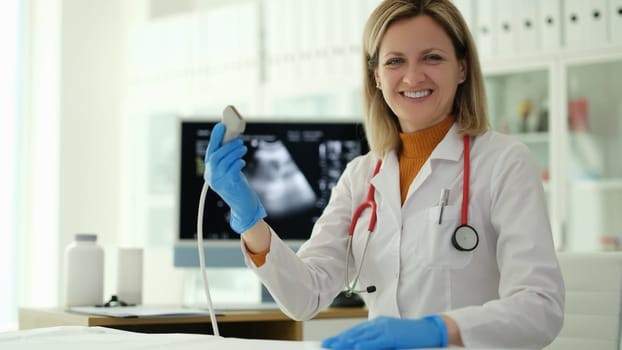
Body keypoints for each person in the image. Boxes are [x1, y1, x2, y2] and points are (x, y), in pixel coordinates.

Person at [203, 0, 564, 348]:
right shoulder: (360, 176)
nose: (412, 76)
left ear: (462, 68)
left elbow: (540, 308)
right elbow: (305, 296)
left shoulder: (503, 162)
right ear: (376, 76)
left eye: (432, 57)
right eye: (395, 61)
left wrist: (440, 330)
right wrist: (250, 218)